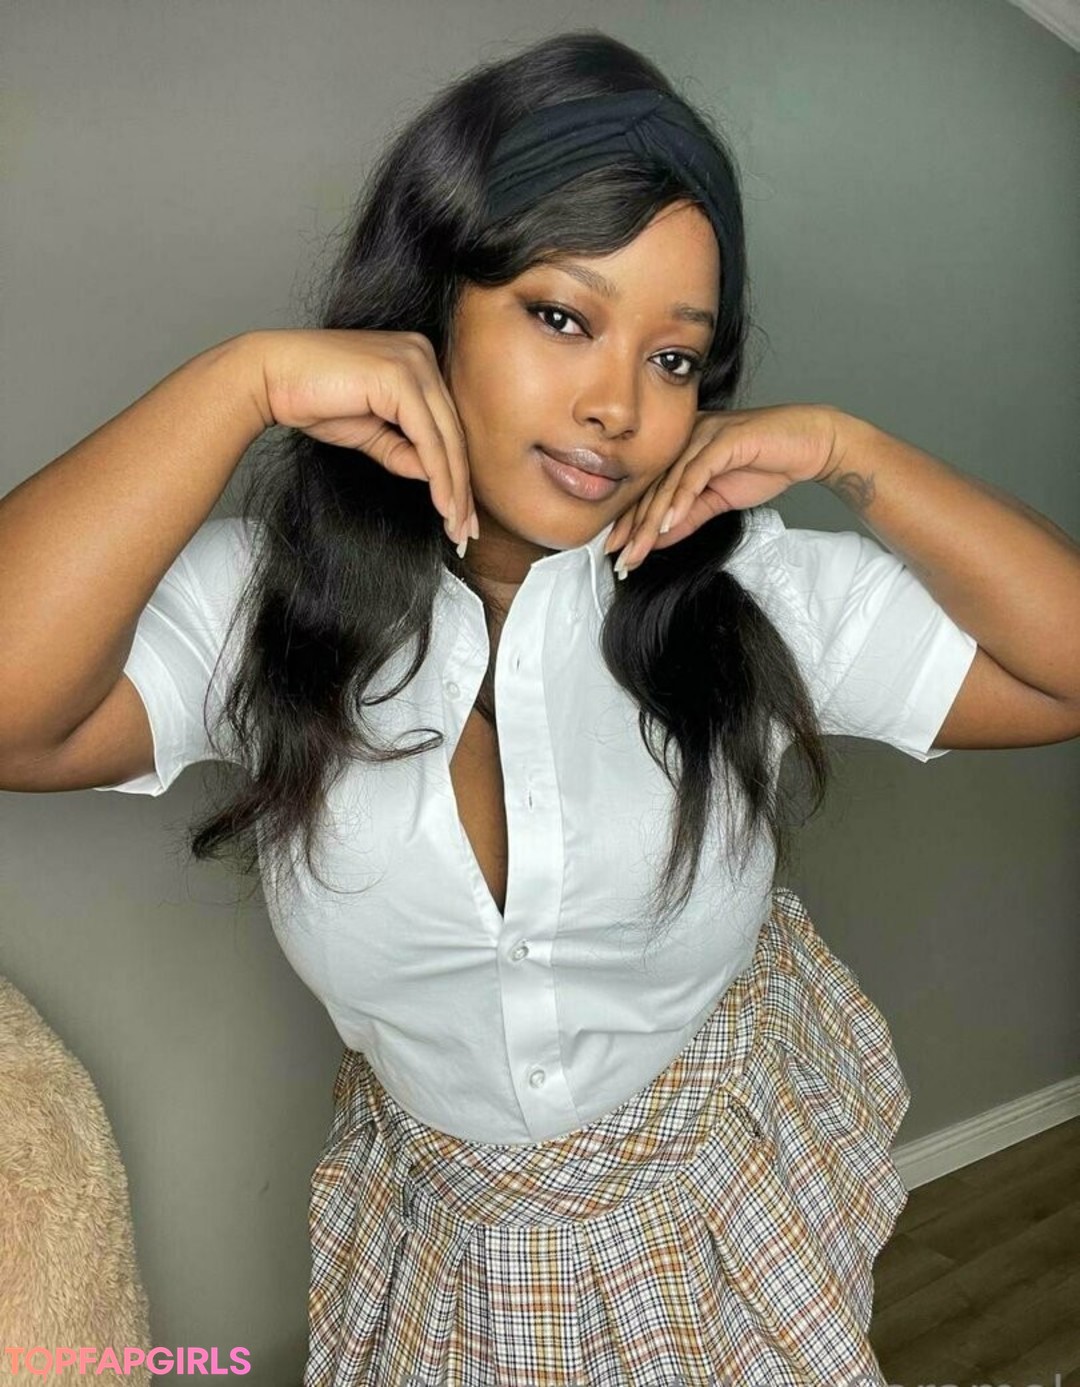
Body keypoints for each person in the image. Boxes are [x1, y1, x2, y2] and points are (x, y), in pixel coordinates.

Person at [2, 27, 1078, 1387]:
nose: (618, 405)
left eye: (676, 359)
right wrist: (243, 382)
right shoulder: (274, 601)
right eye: (563, 317)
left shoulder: (749, 594)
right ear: (434, 303)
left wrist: (848, 451)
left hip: (715, 1196)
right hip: (446, 1240)